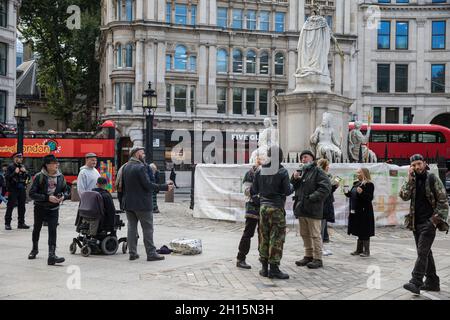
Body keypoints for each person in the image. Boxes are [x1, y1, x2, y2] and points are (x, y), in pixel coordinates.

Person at [400, 154, 449, 294]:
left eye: (419, 164)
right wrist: (409, 180)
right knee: (426, 253)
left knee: (422, 253)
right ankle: (433, 282)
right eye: (414, 165)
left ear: (424, 163)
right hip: (416, 223)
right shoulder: (412, 180)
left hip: (429, 223)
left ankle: (416, 281)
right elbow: (403, 196)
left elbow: (443, 201)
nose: (416, 167)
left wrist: (434, 221)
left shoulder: (432, 178)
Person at [121, 146, 174, 261]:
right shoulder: (140, 167)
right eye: (142, 153)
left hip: (129, 203)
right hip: (142, 204)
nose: (144, 155)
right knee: (148, 229)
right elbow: (148, 185)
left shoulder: (126, 167)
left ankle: (132, 253)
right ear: (136, 154)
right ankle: (151, 254)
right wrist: (164, 187)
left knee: (131, 228)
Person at [251, 146, 293, 279]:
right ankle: (274, 268)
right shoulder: (282, 171)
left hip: (263, 207)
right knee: (277, 238)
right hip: (276, 208)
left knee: (264, 236)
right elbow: (287, 190)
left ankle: (264, 268)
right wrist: (294, 182)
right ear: (280, 156)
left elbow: (254, 190)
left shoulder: (260, 170)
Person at [291, 150, 331, 269]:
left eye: (305, 157)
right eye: (301, 157)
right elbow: (292, 186)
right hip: (302, 208)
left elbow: (326, 187)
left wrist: (311, 198)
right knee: (304, 234)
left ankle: (317, 258)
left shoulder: (318, 171)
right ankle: (308, 256)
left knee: (315, 234)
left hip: (313, 208)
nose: (303, 159)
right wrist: (294, 178)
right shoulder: (301, 171)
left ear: (312, 158)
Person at [28, 154, 70, 265]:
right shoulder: (39, 176)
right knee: (37, 228)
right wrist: (47, 198)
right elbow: (31, 194)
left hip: (54, 208)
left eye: (57, 163)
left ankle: (51, 256)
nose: (57, 165)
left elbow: (67, 190)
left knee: (53, 230)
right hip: (40, 208)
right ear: (47, 165)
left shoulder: (60, 177)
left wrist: (63, 197)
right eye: (54, 163)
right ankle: (34, 249)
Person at [344, 168, 375, 258]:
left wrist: (362, 193)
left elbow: (369, 198)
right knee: (358, 229)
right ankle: (359, 249)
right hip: (355, 210)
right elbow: (352, 195)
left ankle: (366, 251)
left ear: (364, 173)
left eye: (359, 172)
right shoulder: (356, 183)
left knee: (364, 230)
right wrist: (346, 192)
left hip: (364, 211)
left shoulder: (369, 184)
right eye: (357, 172)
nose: (357, 174)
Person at [236, 159, 261, 269]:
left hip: (266, 206)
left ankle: (263, 256)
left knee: (264, 233)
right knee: (248, 233)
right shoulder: (251, 173)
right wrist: (257, 197)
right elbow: (246, 190)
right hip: (253, 207)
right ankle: (241, 258)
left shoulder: (271, 172)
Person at [317, 158, 338, 256]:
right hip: (323, 205)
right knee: (320, 229)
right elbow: (323, 191)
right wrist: (331, 186)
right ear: (324, 166)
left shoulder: (324, 176)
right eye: (327, 165)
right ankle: (320, 249)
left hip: (325, 204)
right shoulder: (321, 176)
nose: (329, 167)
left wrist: (334, 187)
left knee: (322, 228)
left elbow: (327, 191)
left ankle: (321, 248)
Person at [5, 153, 31, 230]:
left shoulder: (22, 166)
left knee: (22, 207)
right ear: (15, 158)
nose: (21, 159)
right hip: (13, 188)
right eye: (19, 157)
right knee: (10, 206)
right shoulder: (10, 167)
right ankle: (7, 224)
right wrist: (14, 172)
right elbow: (7, 177)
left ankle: (21, 223)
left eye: (22, 158)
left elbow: (28, 177)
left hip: (22, 188)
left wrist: (25, 172)